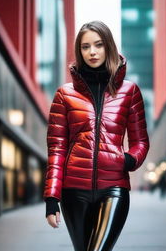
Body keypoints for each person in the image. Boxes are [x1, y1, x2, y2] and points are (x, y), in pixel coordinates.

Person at [43, 21, 149, 251]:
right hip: (73, 191)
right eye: (85, 47)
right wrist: (52, 198)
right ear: (79, 51)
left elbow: (140, 141)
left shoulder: (129, 91)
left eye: (98, 45)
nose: (92, 52)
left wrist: (129, 160)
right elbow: (57, 148)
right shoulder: (64, 95)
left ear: (108, 46)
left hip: (114, 188)